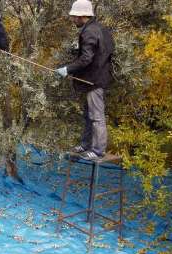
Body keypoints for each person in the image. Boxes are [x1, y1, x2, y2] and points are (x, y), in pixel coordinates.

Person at [56, 0, 115, 161]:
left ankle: (97, 151)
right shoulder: (101, 29)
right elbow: (106, 52)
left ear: (83, 16)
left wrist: (67, 69)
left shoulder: (89, 32)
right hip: (96, 78)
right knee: (88, 115)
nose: (73, 19)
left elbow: (86, 59)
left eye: (74, 17)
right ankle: (85, 144)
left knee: (96, 116)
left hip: (94, 81)